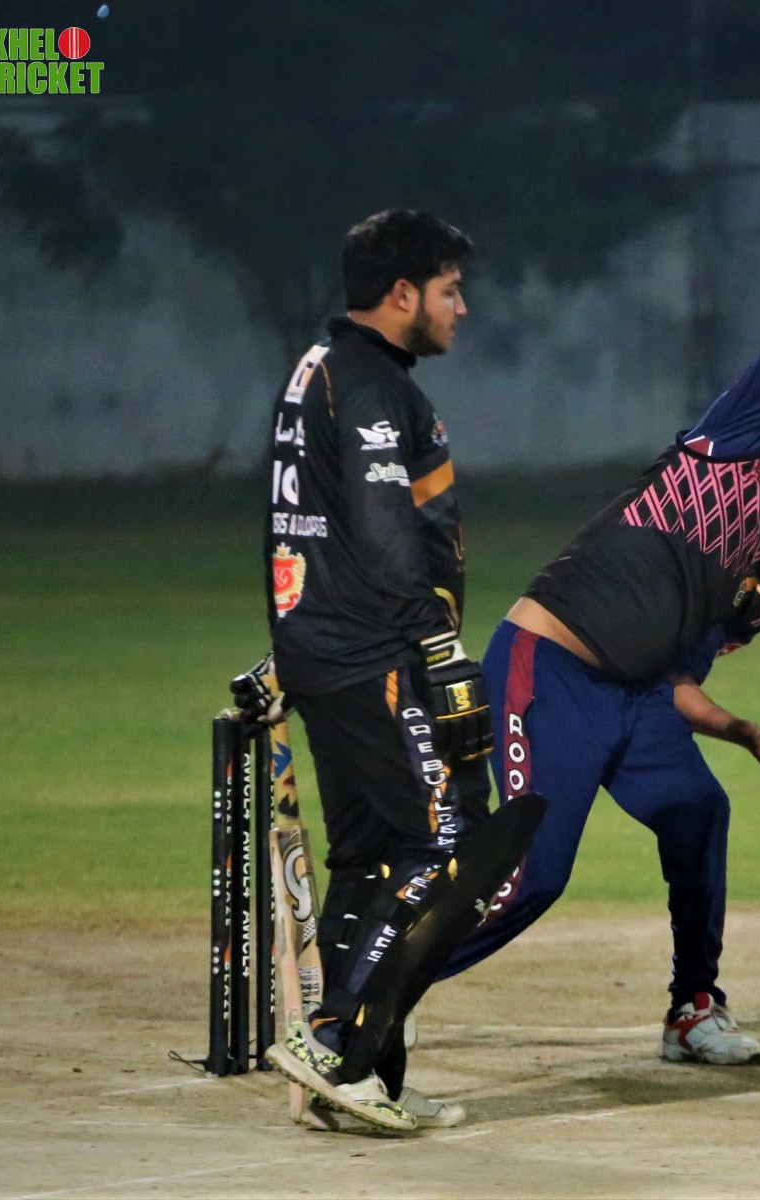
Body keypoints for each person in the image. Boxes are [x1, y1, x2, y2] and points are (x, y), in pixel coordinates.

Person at [434, 153, 760, 1064]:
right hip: (549, 668)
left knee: (699, 812)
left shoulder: (758, 573)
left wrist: (740, 732)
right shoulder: (725, 446)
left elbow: (675, 682)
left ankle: (692, 1007)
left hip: (635, 698)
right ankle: (364, 999)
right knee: (533, 877)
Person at [232, 210, 541, 1133]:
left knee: (369, 857)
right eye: (449, 289)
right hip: (376, 657)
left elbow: (306, 528)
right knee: (446, 848)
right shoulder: (369, 385)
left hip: (325, 651)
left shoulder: (319, 367)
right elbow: (381, 529)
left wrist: (295, 643)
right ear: (402, 294)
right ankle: (336, 1040)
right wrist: (436, 647)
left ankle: (365, 1082)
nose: (461, 307)